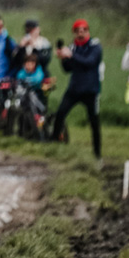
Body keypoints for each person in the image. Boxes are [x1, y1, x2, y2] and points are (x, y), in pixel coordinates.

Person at [52, 19, 103, 161]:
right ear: (74, 33)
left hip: (91, 90)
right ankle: (55, 144)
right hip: (74, 89)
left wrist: (71, 55)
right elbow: (67, 69)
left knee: (94, 122)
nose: (81, 34)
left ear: (88, 31)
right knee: (60, 114)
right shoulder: (72, 47)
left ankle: (97, 154)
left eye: (84, 30)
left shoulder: (95, 46)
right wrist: (63, 58)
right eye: (78, 31)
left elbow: (89, 62)